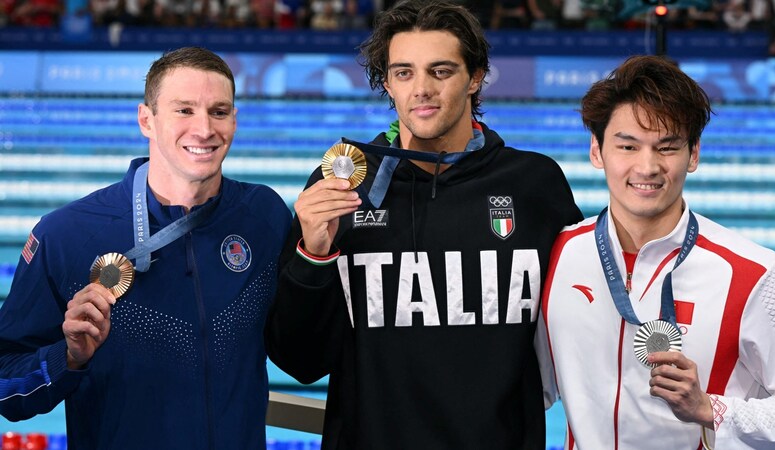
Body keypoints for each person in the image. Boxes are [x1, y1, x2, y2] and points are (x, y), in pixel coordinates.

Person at [265, 1, 583, 448]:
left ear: (475, 77)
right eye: (403, 72)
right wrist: (312, 256)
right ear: (387, 84)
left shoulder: (535, 185)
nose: (421, 90)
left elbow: (581, 329)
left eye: (441, 71)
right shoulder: (341, 185)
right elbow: (299, 359)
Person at [0, 47, 292, 449]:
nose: (204, 129)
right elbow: (4, 385)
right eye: (184, 110)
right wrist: (68, 358)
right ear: (146, 120)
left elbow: (299, 348)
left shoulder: (264, 216)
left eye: (219, 111)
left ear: (235, 120)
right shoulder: (67, 234)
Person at [536, 55, 775, 449]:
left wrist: (710, 407)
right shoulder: (557, 255)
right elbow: (529, 386)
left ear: (692, 155)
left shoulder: (756, 274)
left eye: (667, 147)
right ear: (597, 151)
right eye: (627, 145)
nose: (647, 166)